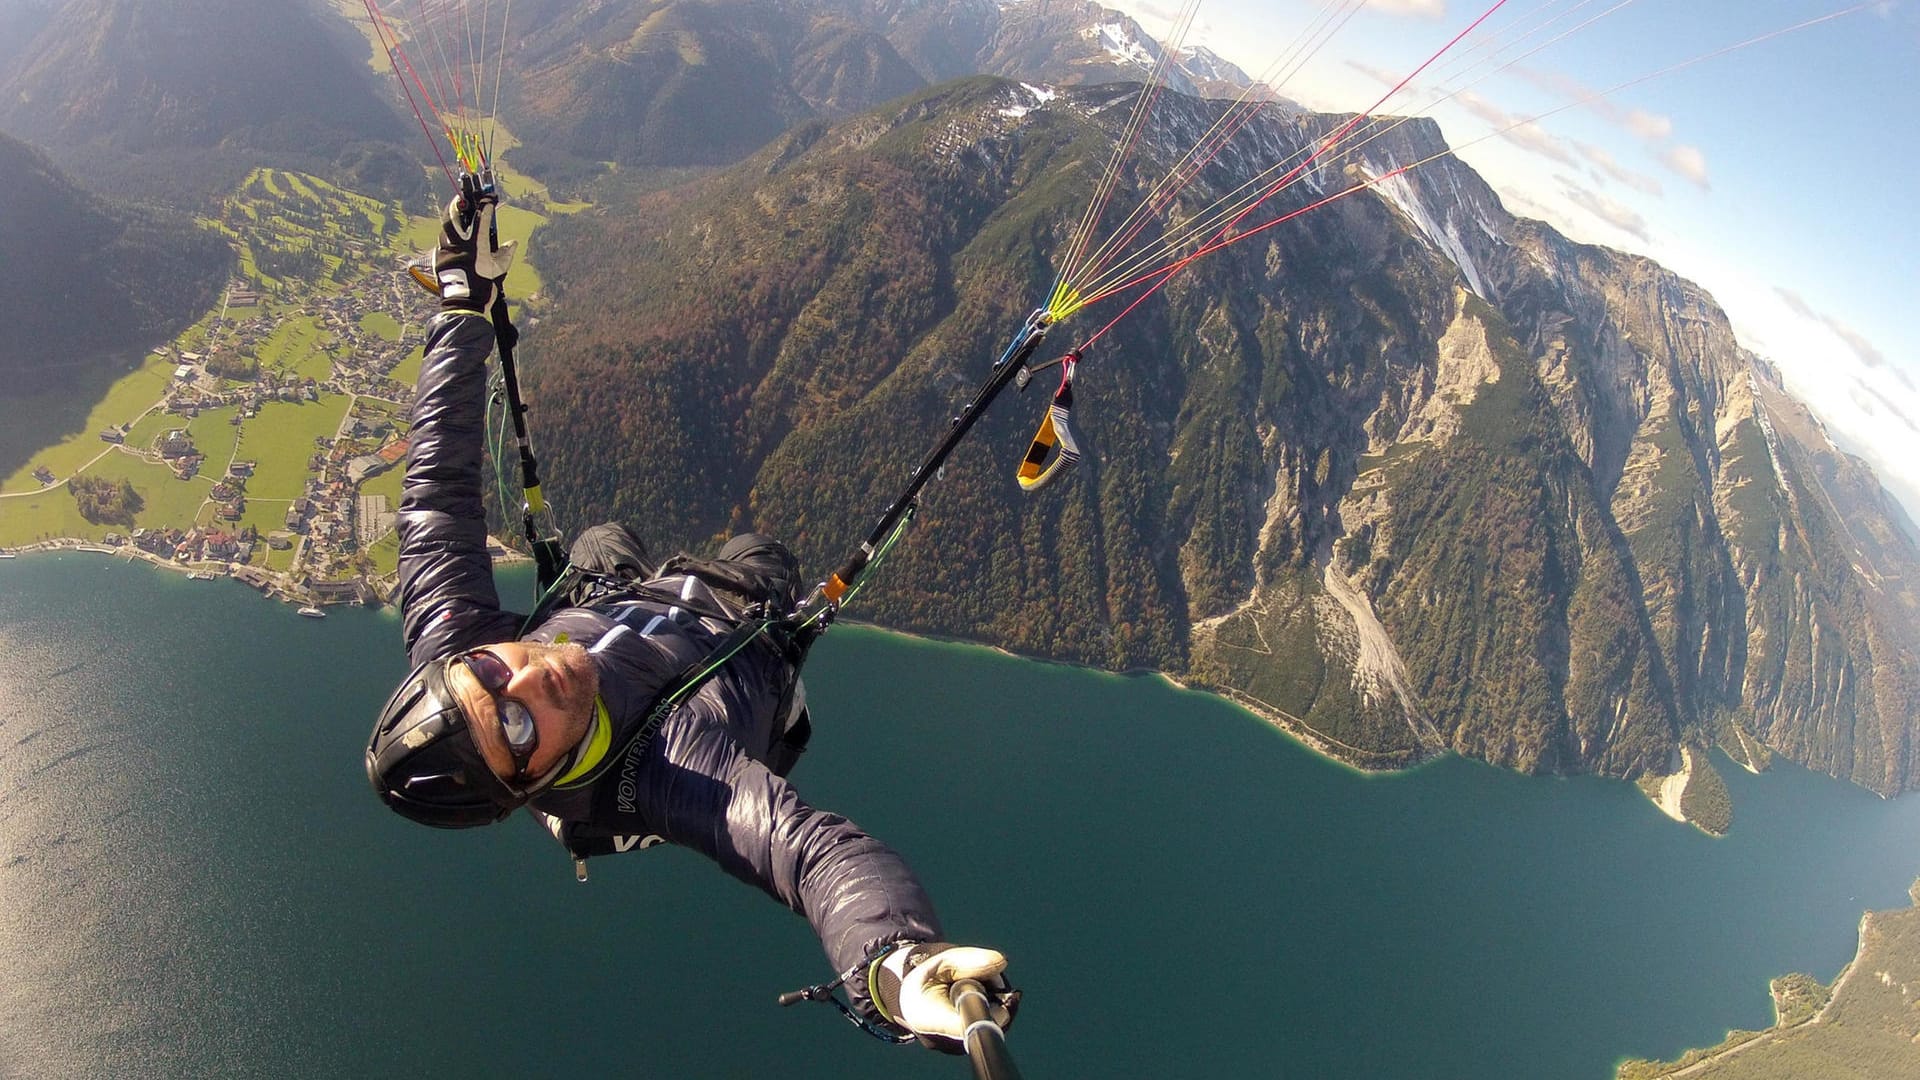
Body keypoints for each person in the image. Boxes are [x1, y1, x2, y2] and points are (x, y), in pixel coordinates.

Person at [365, 187, 1017, 1050]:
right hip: (732, 635)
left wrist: (463, 303)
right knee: (758, 558)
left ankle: (625, 577)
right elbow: (807, 853)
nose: (521, 673)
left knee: (601, 543)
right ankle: (745, 585)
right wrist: (894, 965)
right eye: (516, 725)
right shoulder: (671, 775)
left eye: (490, 672)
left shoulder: (455, 657)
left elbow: (434, 493)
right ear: (531, 786)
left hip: (614, 600)